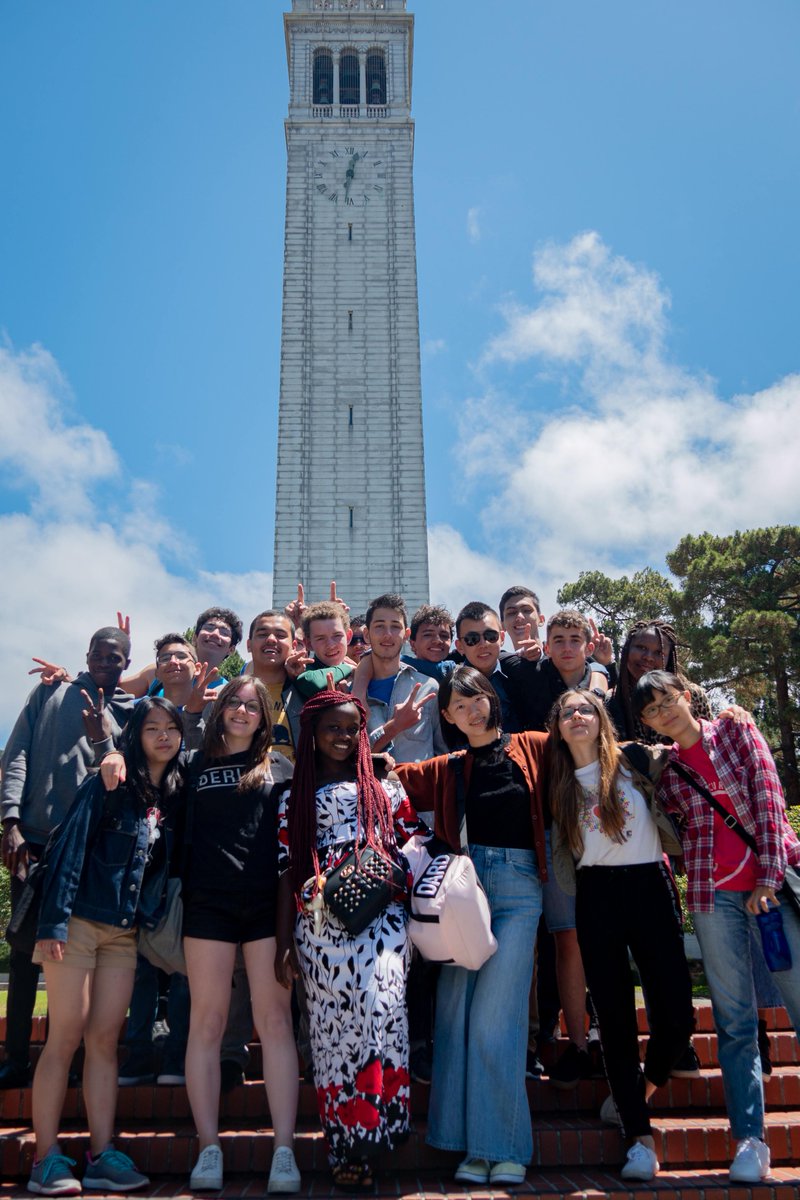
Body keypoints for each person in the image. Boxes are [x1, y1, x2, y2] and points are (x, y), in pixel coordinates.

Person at [634, 669, 800, 1183]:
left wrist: (768, 878)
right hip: (711, 898)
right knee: (734, 1023)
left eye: (667, 701)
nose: (664, 713)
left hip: (770, 890)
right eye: (652, 711)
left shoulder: (734, 730)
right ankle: (750, 1140)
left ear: (686, 696)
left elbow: (771, 804)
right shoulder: (669, 768)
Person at [394, 665, 549, 1188]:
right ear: (449, 718)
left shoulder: (533, 747)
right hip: (461, 892)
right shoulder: (447, 767)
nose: (472, 710)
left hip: (519, 889)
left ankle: (500, 1146)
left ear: (491, 699)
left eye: (477, 698)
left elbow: (589, 743)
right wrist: (391, 729)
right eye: (459, 706)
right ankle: (462, 1143)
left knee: (495, 1022)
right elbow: (375, 770)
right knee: (455, 1018)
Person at [27, 697, 184, 1195]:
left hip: (123, 932)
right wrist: (52, 924)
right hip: (76, 922)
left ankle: (101, 1153)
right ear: (134, 736)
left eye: (171, 728)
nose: (162, 736)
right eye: (151, 728)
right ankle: (46, 1158)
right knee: (65, 1036)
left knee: (103, 1042)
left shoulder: (174, 796)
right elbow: (70, 850)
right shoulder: (111, 783)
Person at [275, 690, 425, 1192]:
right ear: (312, 735)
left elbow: (415, 840)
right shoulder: (292, 796)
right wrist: (282, 945)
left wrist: (388, 869)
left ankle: (379, 1127)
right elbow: (284, 871)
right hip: (319, 927)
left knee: (380, 1009)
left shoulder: (384, 783)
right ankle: (345, 1144)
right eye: (332, 729)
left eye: (350, 728)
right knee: (333, 1033)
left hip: (382, 919)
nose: (342, 737)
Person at [547, 690, 694, 1182]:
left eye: (585, 708)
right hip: (597, 896)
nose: (577, 716)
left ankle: (638, 1091)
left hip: (650, 885)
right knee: (612, 1018)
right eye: (568, 713)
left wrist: (727, 717)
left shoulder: (634, 759)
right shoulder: (558, 780)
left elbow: (691, 742)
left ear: (600, 717)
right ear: (559, 728)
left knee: (676, 1015)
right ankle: (638, 1136)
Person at [175, 675, 300, 1195]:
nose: (243, 712)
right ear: (220, 709)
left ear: (265, 714)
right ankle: (209, 1146)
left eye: (254, 705)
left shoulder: (281, 767)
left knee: (274, 1020)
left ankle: (284, 1149)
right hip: (208, 907)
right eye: (235, 703)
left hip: (267, 908)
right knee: (207, 1021)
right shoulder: (193, 765)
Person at [1, 627, 133, 1090]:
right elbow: (16, 753)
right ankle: (16, 1057)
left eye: (115, 658)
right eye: (99, 655)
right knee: (23, 951)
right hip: (35, 840)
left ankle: (74, 1059)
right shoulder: (51, 692)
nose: (105, 662)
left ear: (125, 665)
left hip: (89, 852)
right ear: (87, 656)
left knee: (77, 957)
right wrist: (10, 820)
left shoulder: (130, 713)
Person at [350, 593, 447, 762]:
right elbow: (349, 757)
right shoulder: (351, 693)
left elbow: (442, 754)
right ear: (366, 634)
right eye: (379, 626)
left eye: (395, 626)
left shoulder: (428, 687)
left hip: (418, 788)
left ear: (406, 634)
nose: (388, 634)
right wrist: (395, 727)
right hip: (370, 787)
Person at [607, 619, 712, 743]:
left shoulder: (690, 694)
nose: (648, 657)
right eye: (641, 647)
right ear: (626, 649)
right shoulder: (611, 701)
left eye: (659, 652)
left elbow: (710, 741)